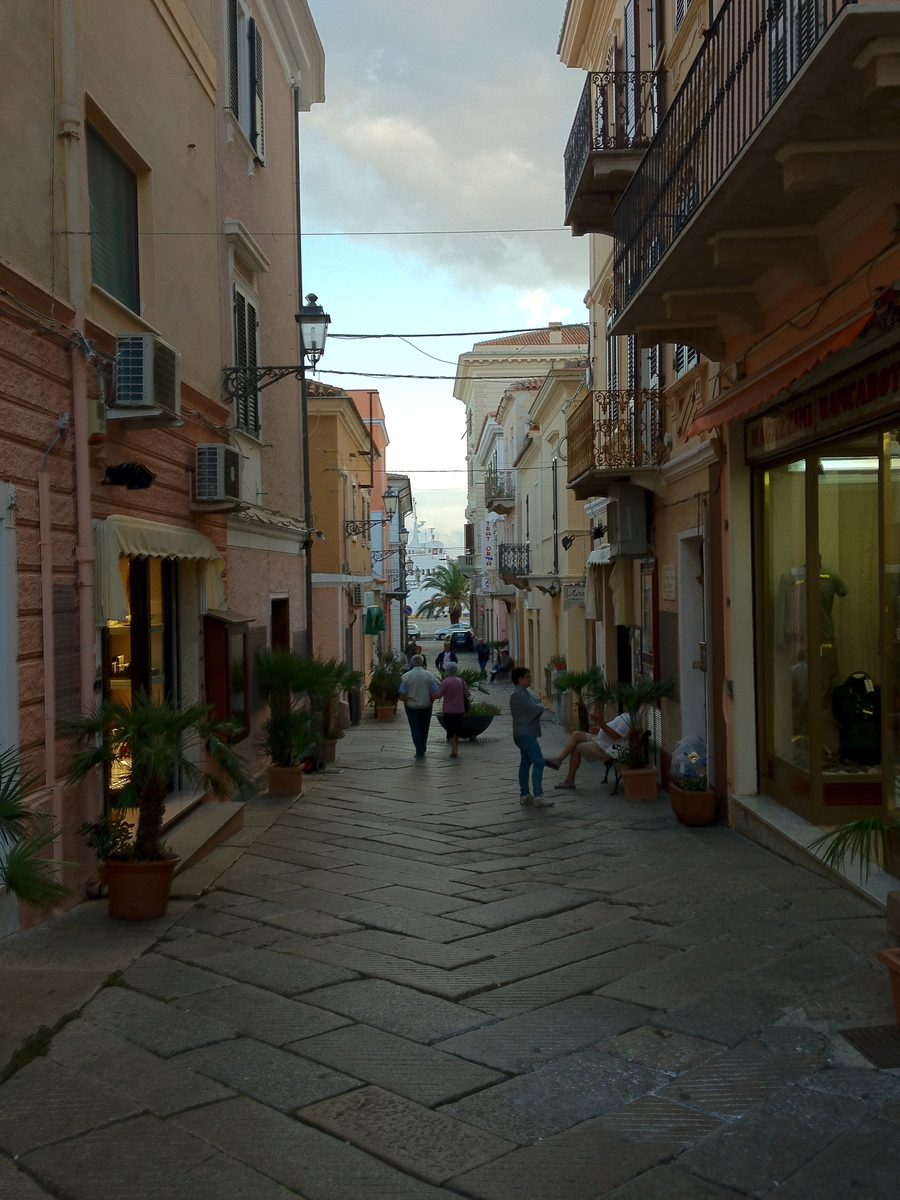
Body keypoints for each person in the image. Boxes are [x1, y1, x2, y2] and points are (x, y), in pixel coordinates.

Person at [545, 709, 632, 789]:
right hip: (599, 739)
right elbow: (613, 730)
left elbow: (615, 735)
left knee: (577, 747)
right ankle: (558, 760)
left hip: (604, 746)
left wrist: (601, 722)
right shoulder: (626, 715)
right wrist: (601, 729)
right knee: (576, 734)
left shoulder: (629, 719)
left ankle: (569, 781)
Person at [509, 666, 552, 807]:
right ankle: (538, 795)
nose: (530, 679)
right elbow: (537, 708)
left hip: (523, 733)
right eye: (528, 676)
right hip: (525, 733)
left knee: (525, 763)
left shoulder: (522, 693)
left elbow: (536, 703)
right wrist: (538, 704)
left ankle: (525, 794)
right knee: (539, 761)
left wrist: (537, 703)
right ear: (520, 679)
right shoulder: (518, 695)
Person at [398, 654, 439, 758]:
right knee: (424, 728)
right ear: (422, 662)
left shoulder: (406, 676)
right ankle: (423, 747)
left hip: (411, 706)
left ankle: (419, 749)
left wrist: (406, 703)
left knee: (415, 727)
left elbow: (403, 692)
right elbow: (435, 691)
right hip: (426, 705)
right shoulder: (430, 675)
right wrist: (431, 702)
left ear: (412, 663)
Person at [433, 662, 470, 758]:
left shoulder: (445, 682)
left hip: (448, 710)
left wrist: (430, 694)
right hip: (460, 709)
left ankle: (454, 749)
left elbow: (438, 694)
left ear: (447, 671)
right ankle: (455, 747)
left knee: (449, 730)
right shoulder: (461, 681)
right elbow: (467, 693)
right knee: (457, 729)